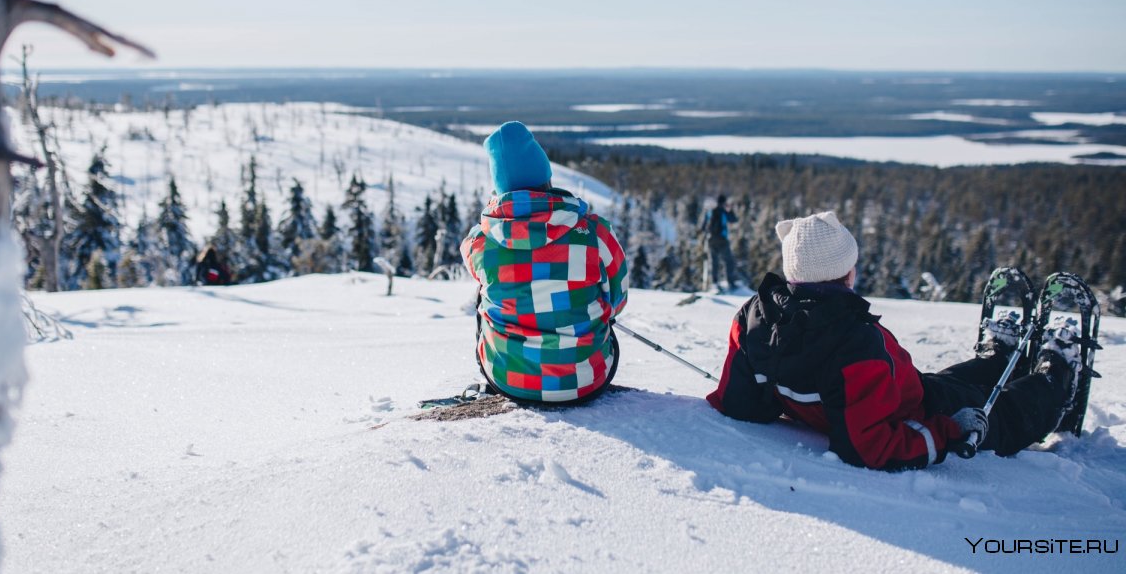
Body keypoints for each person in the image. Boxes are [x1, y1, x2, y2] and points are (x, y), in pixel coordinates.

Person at [705, 211, 1082, 471]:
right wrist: (951, 432)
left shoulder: (755, 317)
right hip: (915, 412)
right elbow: (870, 447)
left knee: (948, 381)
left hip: (901, 390)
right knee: (1005, 415)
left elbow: (739, 403)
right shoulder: (853, 341)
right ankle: (1057, 378)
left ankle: (998, 359)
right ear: (847, 274)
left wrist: (793, 398)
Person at [461, 121, 628, 404]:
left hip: (508, 381)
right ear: (547, 177)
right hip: (587, 380)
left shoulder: (479, 242)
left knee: (484, 295)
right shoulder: (594, 232)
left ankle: (509, 359)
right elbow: (618, 300)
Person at [700, 194, 739, 289]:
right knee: (728, 261)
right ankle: (730, 282)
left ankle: (714, 283)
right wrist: (730, 210)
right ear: (724, 202)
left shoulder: (710, 212)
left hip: (711, 240)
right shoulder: (724, 212)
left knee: (714, 262)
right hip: (722, 240)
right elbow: (734, 220)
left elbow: (703, 227)